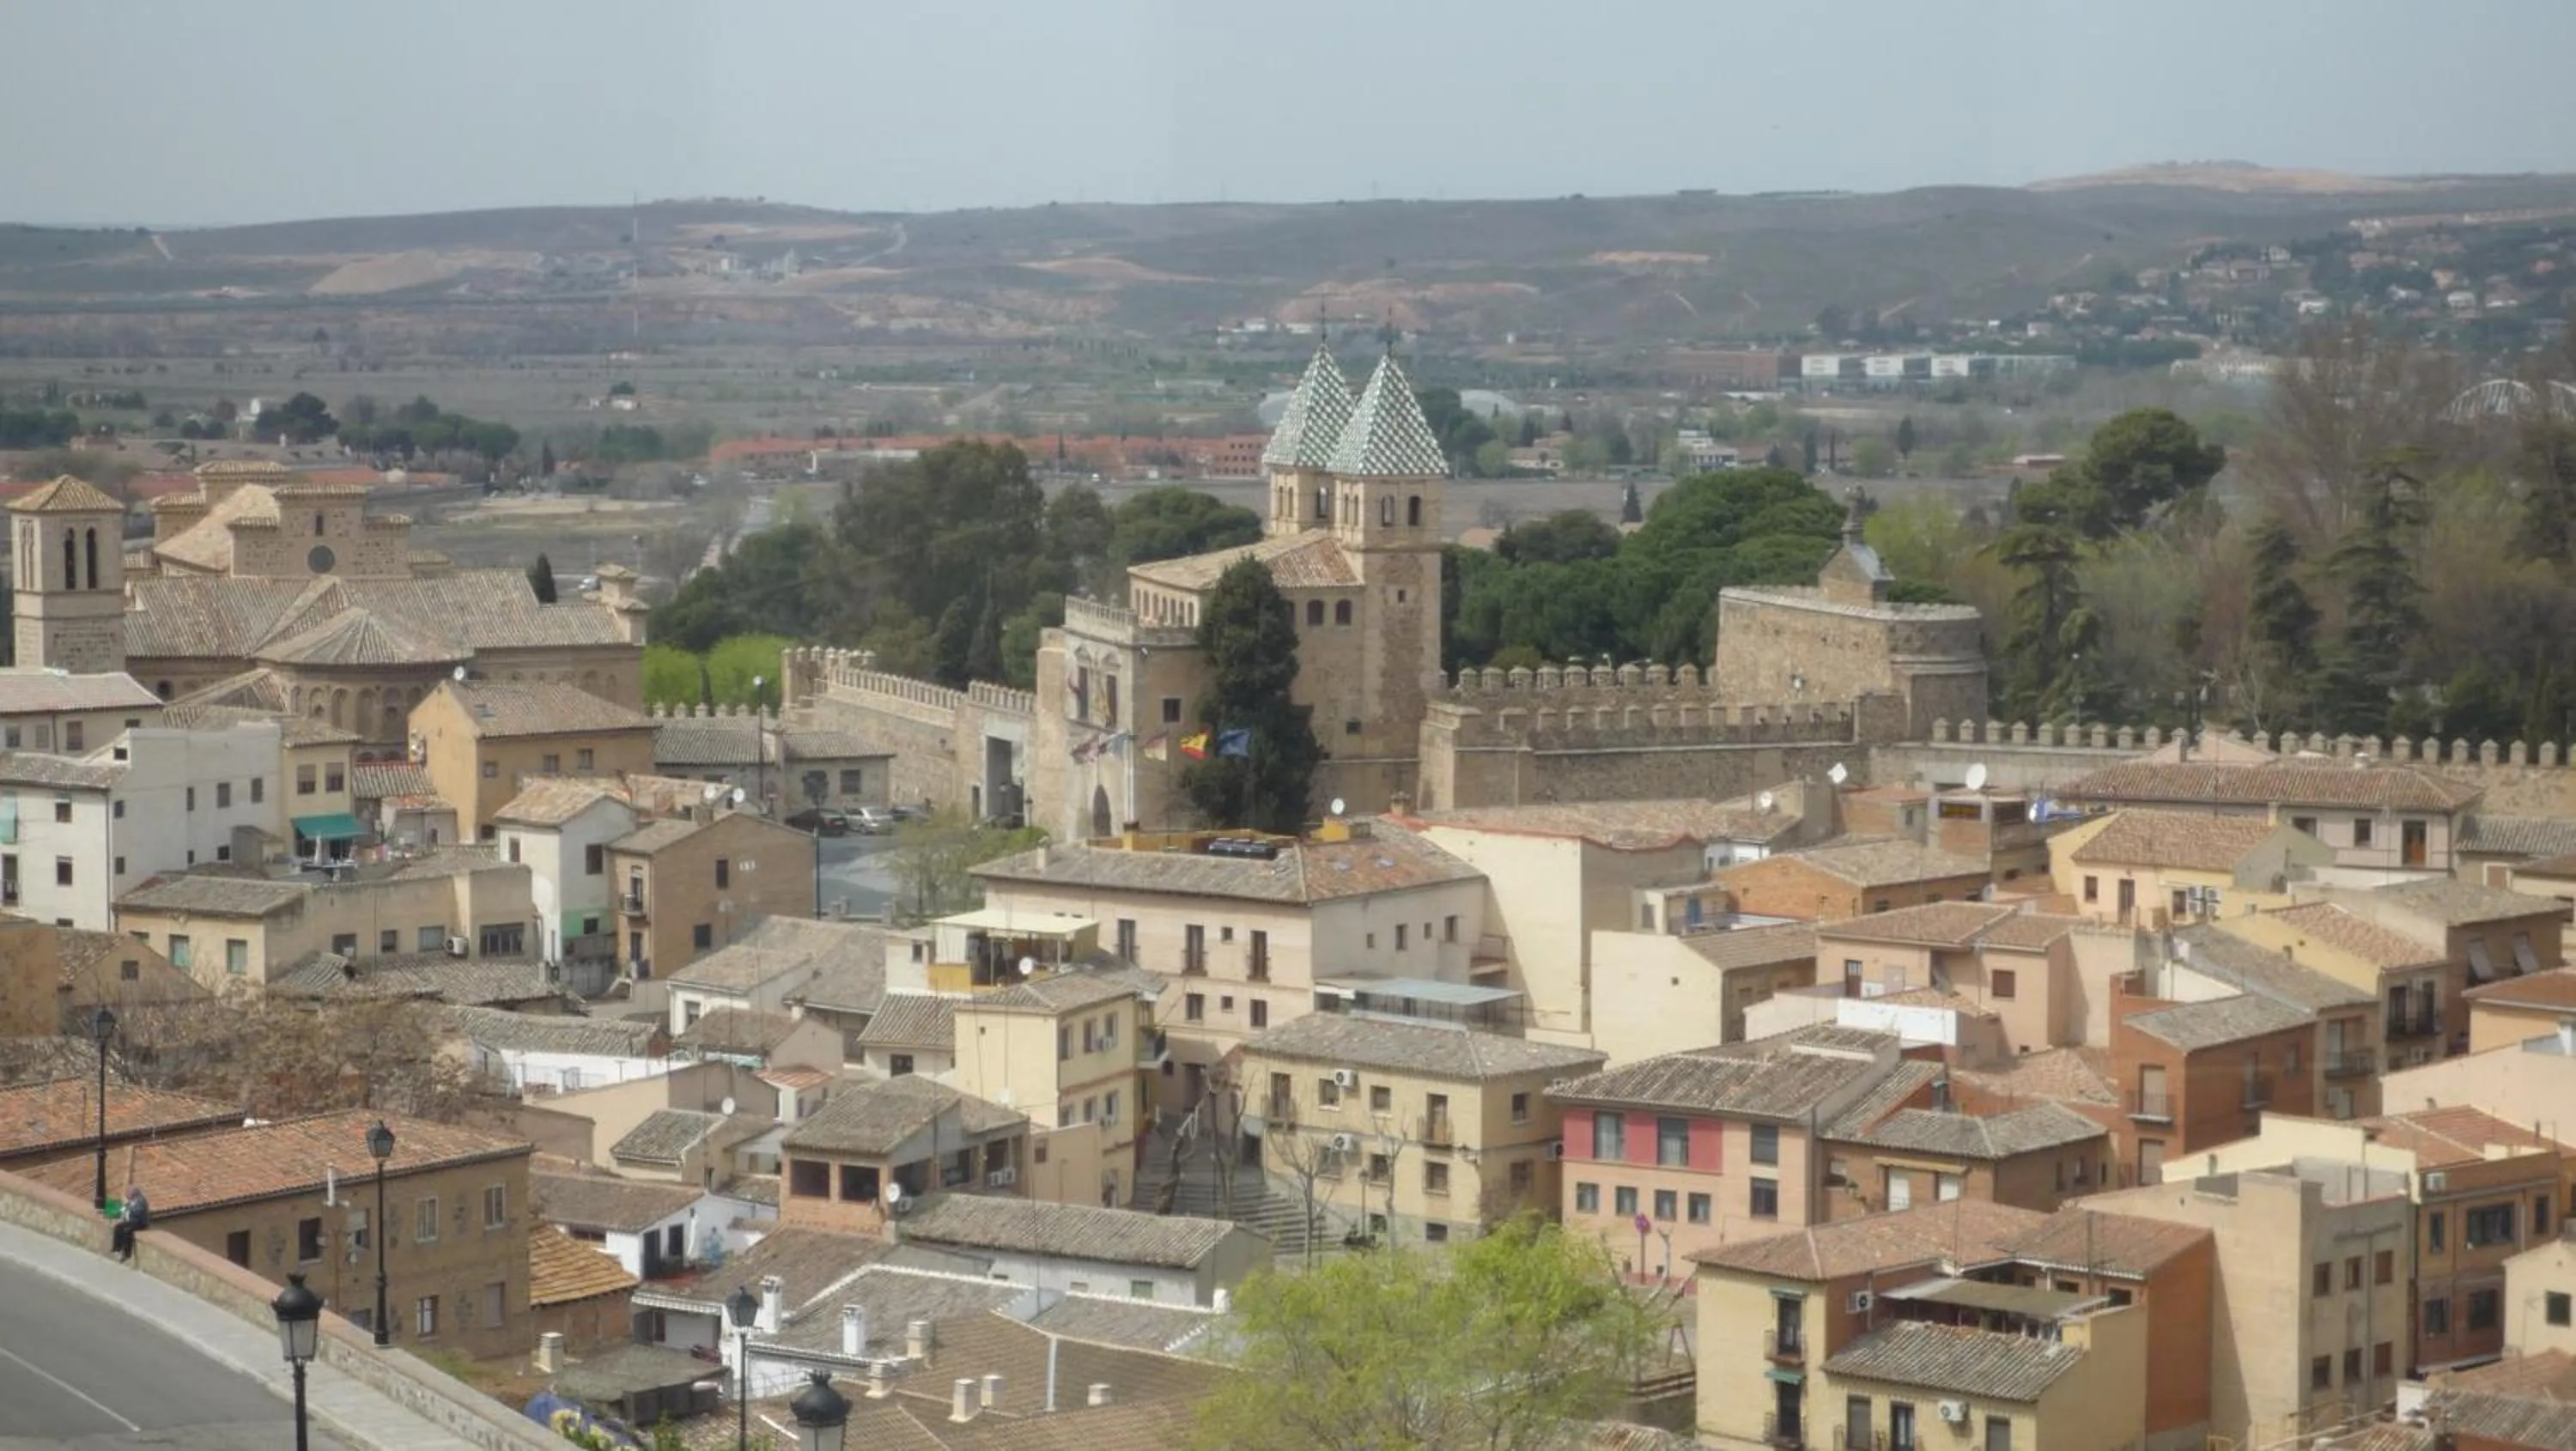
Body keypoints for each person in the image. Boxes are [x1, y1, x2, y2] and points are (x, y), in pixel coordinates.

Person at [112, 1187, 149, 1262]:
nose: (127, 1195)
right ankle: (117, 1249)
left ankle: (126, 1254)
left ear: (134, 1194)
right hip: (131, 1222)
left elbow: (138, 1212)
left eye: (128, 1193)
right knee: (118, 1227)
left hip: (140, 1223)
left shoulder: (141, 1201)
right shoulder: (131, 1201)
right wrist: (118, 1212)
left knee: (127, 1231)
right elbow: (123, 1209)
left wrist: (129, 1209)